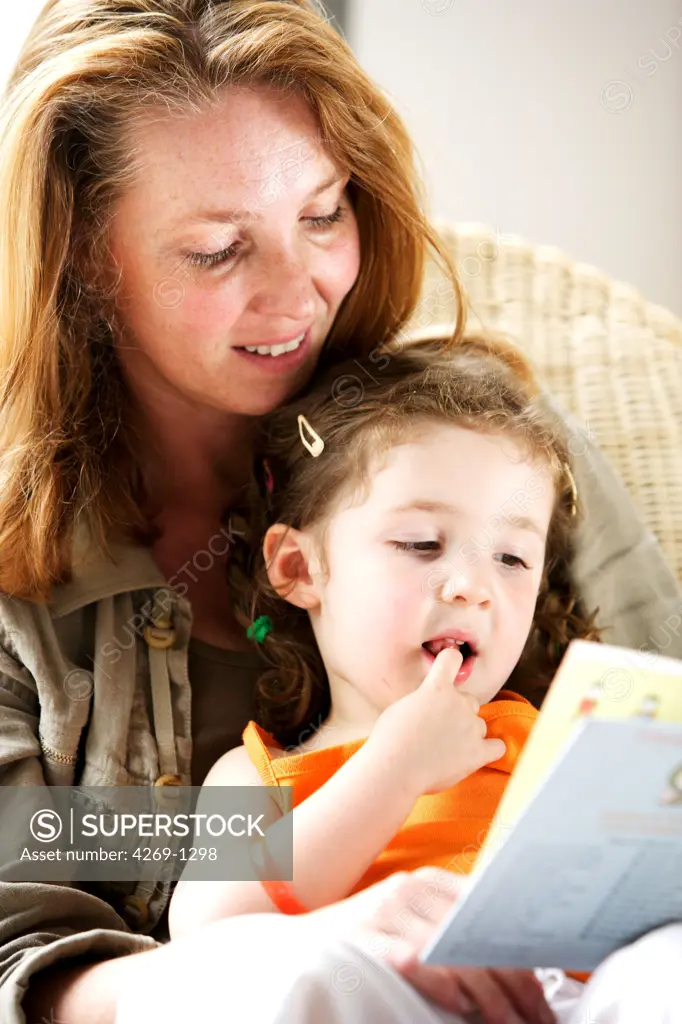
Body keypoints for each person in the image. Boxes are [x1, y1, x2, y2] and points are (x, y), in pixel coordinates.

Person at [0, 2, 679, 1023]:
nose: (299, 291)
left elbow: (658, 739)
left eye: (323, 215)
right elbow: (28, 953)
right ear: (85, 259)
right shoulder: (29, 576)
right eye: (219, 249)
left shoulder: (493, 452)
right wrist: (305, 948)